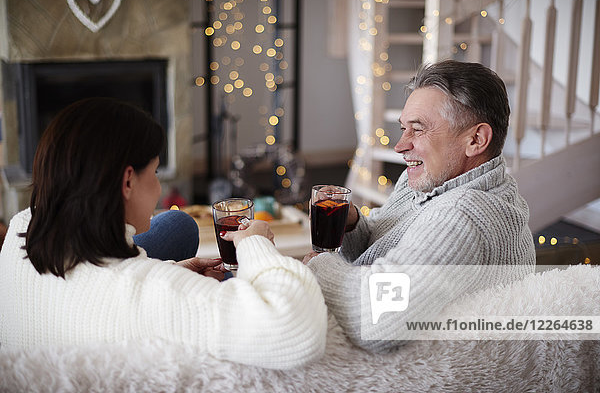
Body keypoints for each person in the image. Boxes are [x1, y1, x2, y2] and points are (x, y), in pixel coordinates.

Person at [0, 97, 327, 370]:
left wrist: (171, 269)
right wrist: (255, 245)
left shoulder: (23, 225)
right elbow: (295, 330)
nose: (160, 186)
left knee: (177, 224)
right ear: (127, 182)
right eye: (155, 172)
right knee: (228, 277)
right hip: (130, 303)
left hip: (75, 313)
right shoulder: (153, 292)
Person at [303, 60, 536, 352]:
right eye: (403, 128)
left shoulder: (465, 213)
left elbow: (378, 318)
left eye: (418, 129)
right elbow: (387, 241)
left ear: (476, 140)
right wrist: (352, 225)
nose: (400, 146)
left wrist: (319, 265)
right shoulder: (433, 180)